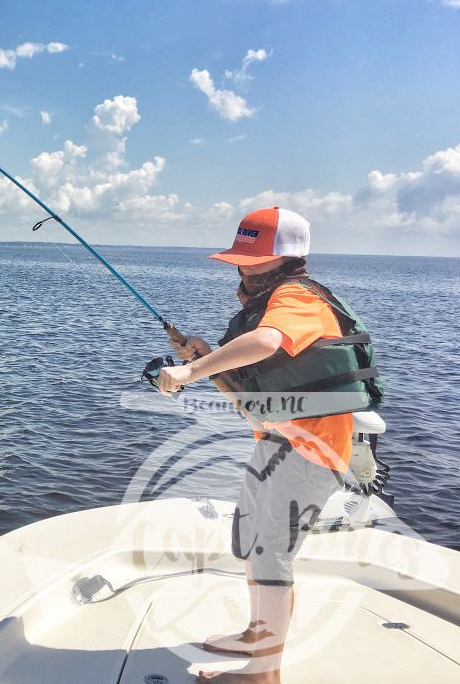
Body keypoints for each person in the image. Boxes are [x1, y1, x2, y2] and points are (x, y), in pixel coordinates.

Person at [156, 207, 381, 684]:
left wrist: (191, 371)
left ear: (288, 259)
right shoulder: (277, 296)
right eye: (240, 258)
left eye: (254, 259)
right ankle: (259, 634)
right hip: (278, 442)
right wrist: (204, 352)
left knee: (272, 555)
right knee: (255, 546)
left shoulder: (297, 297)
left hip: (310, 450)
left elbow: (267, 341)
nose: (243, 267)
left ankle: (263, 674)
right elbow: (252, 360)